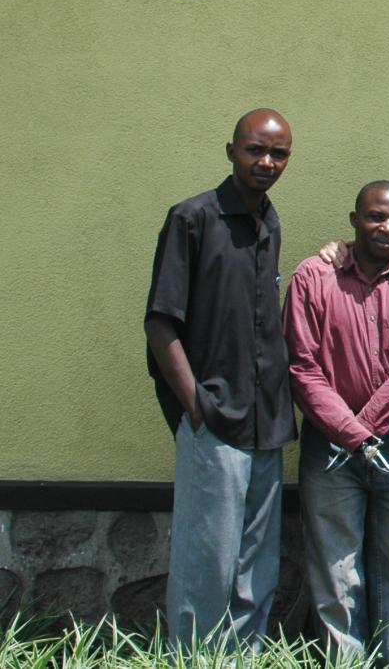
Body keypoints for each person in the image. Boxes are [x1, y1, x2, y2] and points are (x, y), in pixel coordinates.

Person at [143, 108, 296, 651]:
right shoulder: (192, 218)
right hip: (215, 417)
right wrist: (195, 404)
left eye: (278, 153)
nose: (267, 162)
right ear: (231, 151)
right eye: (256, 150)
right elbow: (161, 322)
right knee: (206, 559)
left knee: (257, 563)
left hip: (267, 421)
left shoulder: (269, 223)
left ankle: (244, 658)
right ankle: (192, 659)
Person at [285, 181, 389, 667]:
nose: (387, 228)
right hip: (328, 448)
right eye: (376, 216)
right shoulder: (314, 277)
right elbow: (302, 367)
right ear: (354, 219)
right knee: (336, 576)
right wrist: (350, 433)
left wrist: (365, 429)